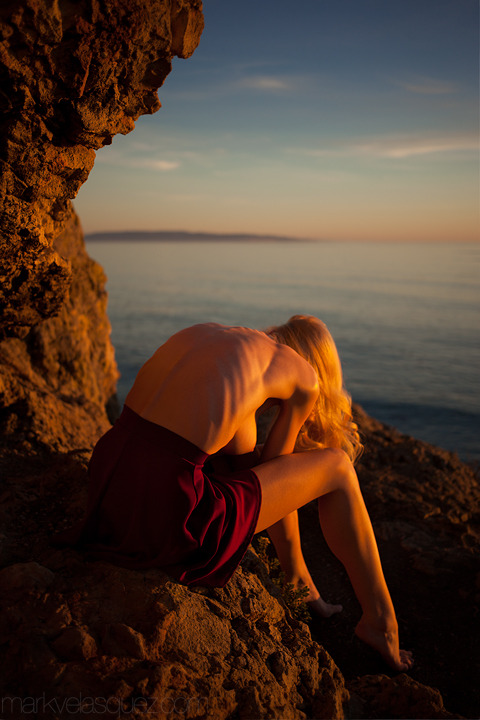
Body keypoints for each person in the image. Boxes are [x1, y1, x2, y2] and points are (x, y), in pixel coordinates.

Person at [53, 315, 413, 672]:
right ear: (318, 365)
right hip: (167, 509)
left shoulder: (216, 339)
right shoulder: (303, 376)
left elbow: (248, 473)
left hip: (107, 480)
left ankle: (301, 582)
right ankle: (381, 622)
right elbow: (276, 473)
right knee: (338, 467)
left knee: (233, 459)